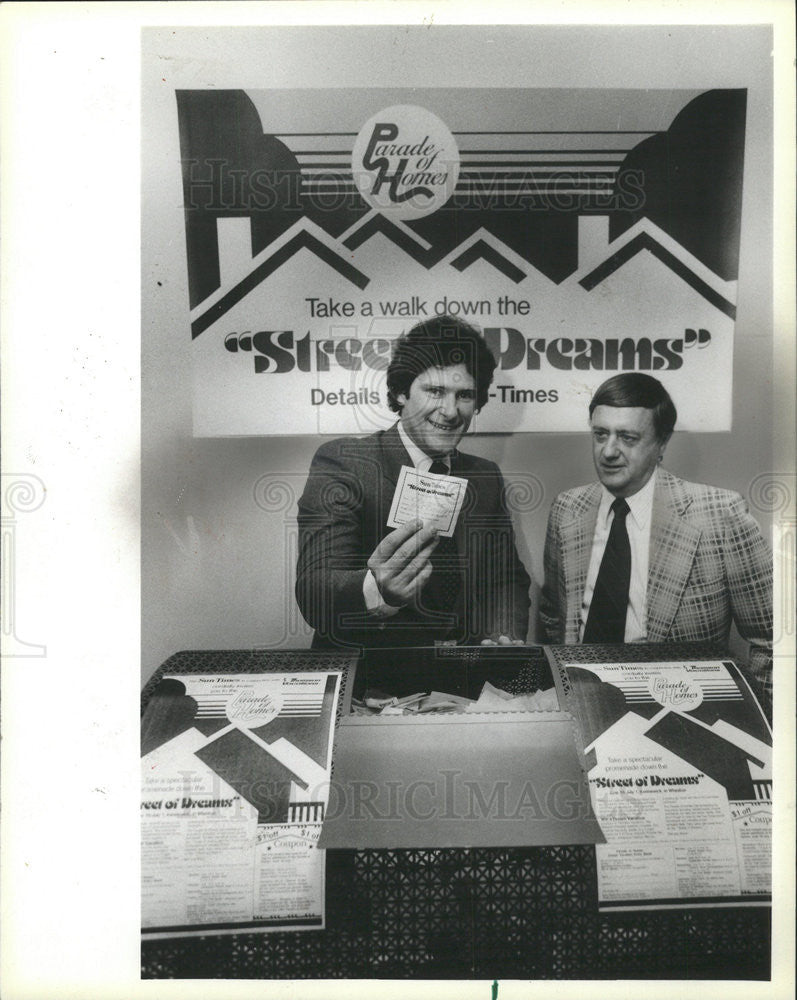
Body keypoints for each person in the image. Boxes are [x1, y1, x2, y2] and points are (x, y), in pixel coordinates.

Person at [295, 316, 531, 650]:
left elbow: (505, 579)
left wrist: (502, 636)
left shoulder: (485, 477)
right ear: (401, 392)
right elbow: (313, 590)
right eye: (435, 391)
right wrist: (378, 589)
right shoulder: (345, 462)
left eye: (464, 395)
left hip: (466, 684)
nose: (450, 411)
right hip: (372, 685)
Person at [539, 373, 773, 708]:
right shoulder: (567, 509)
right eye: (600, 434)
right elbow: (553, 612)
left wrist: (760, 723)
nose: (608, 451)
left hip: (684, 716)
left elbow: (773, 637)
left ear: (661, 444)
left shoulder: (720, 514)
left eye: (628, 438)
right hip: (584, 706)